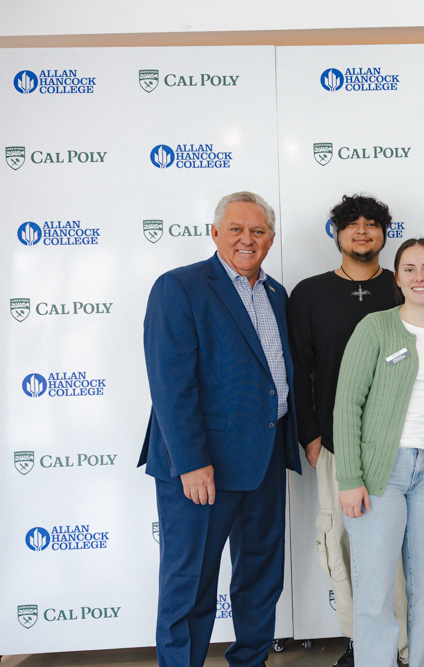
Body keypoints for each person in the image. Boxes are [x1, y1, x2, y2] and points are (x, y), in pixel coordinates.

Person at [139, 191, 301, 667]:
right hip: (202, 465)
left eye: (257, 231)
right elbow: (171, 386)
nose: (246, 239)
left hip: (266, 457)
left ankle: (250, 662)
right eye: (236, 229)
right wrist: (191, 462)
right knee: (190, 585)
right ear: (214, 233)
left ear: (270, 240)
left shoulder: (275, 294)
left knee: (261, 579)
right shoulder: (180, 287)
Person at [334, 238, 424, 667]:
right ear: (396, 278)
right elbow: (347, 404)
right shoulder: (375, 327)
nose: (419, 277)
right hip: (381, 473)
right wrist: (350, 478)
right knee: (374, 591)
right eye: (409, 269)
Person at [287, 194, 409, 667]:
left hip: (401, 443)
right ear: (336, 233)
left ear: (384, 234)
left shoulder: (403, 287)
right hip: (337, 444)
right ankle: (362, 645)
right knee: (339, 545)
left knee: (397, 550)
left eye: (373, 224)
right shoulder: (309, 293)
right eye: (352, 224)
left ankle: (401, 648)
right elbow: (300, 369)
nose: (363, 231)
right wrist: (311, 434)